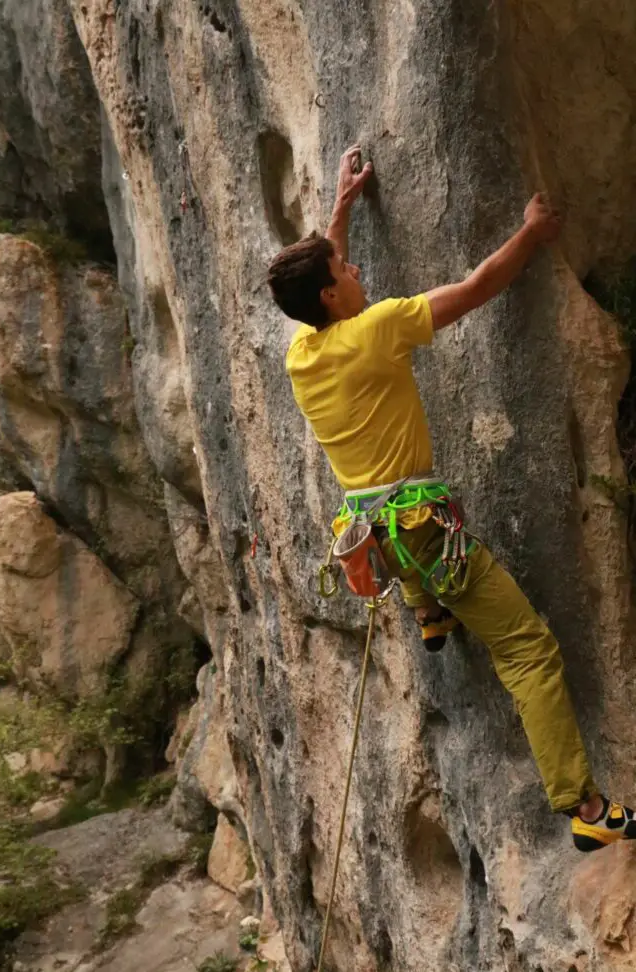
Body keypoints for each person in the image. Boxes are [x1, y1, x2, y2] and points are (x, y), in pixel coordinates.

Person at [267, 144, 636, 853]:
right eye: (347, 270)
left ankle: (429, 614)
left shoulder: (303, 355)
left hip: (373, 527)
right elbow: (476, 286)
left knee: (400, 542)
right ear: (330, 297)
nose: (357, 268)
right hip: (425, 532)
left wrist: (343, 207)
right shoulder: (378, 330)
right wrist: (531, 231)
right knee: (528, 650)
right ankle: (583, 804)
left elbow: (321, 272)